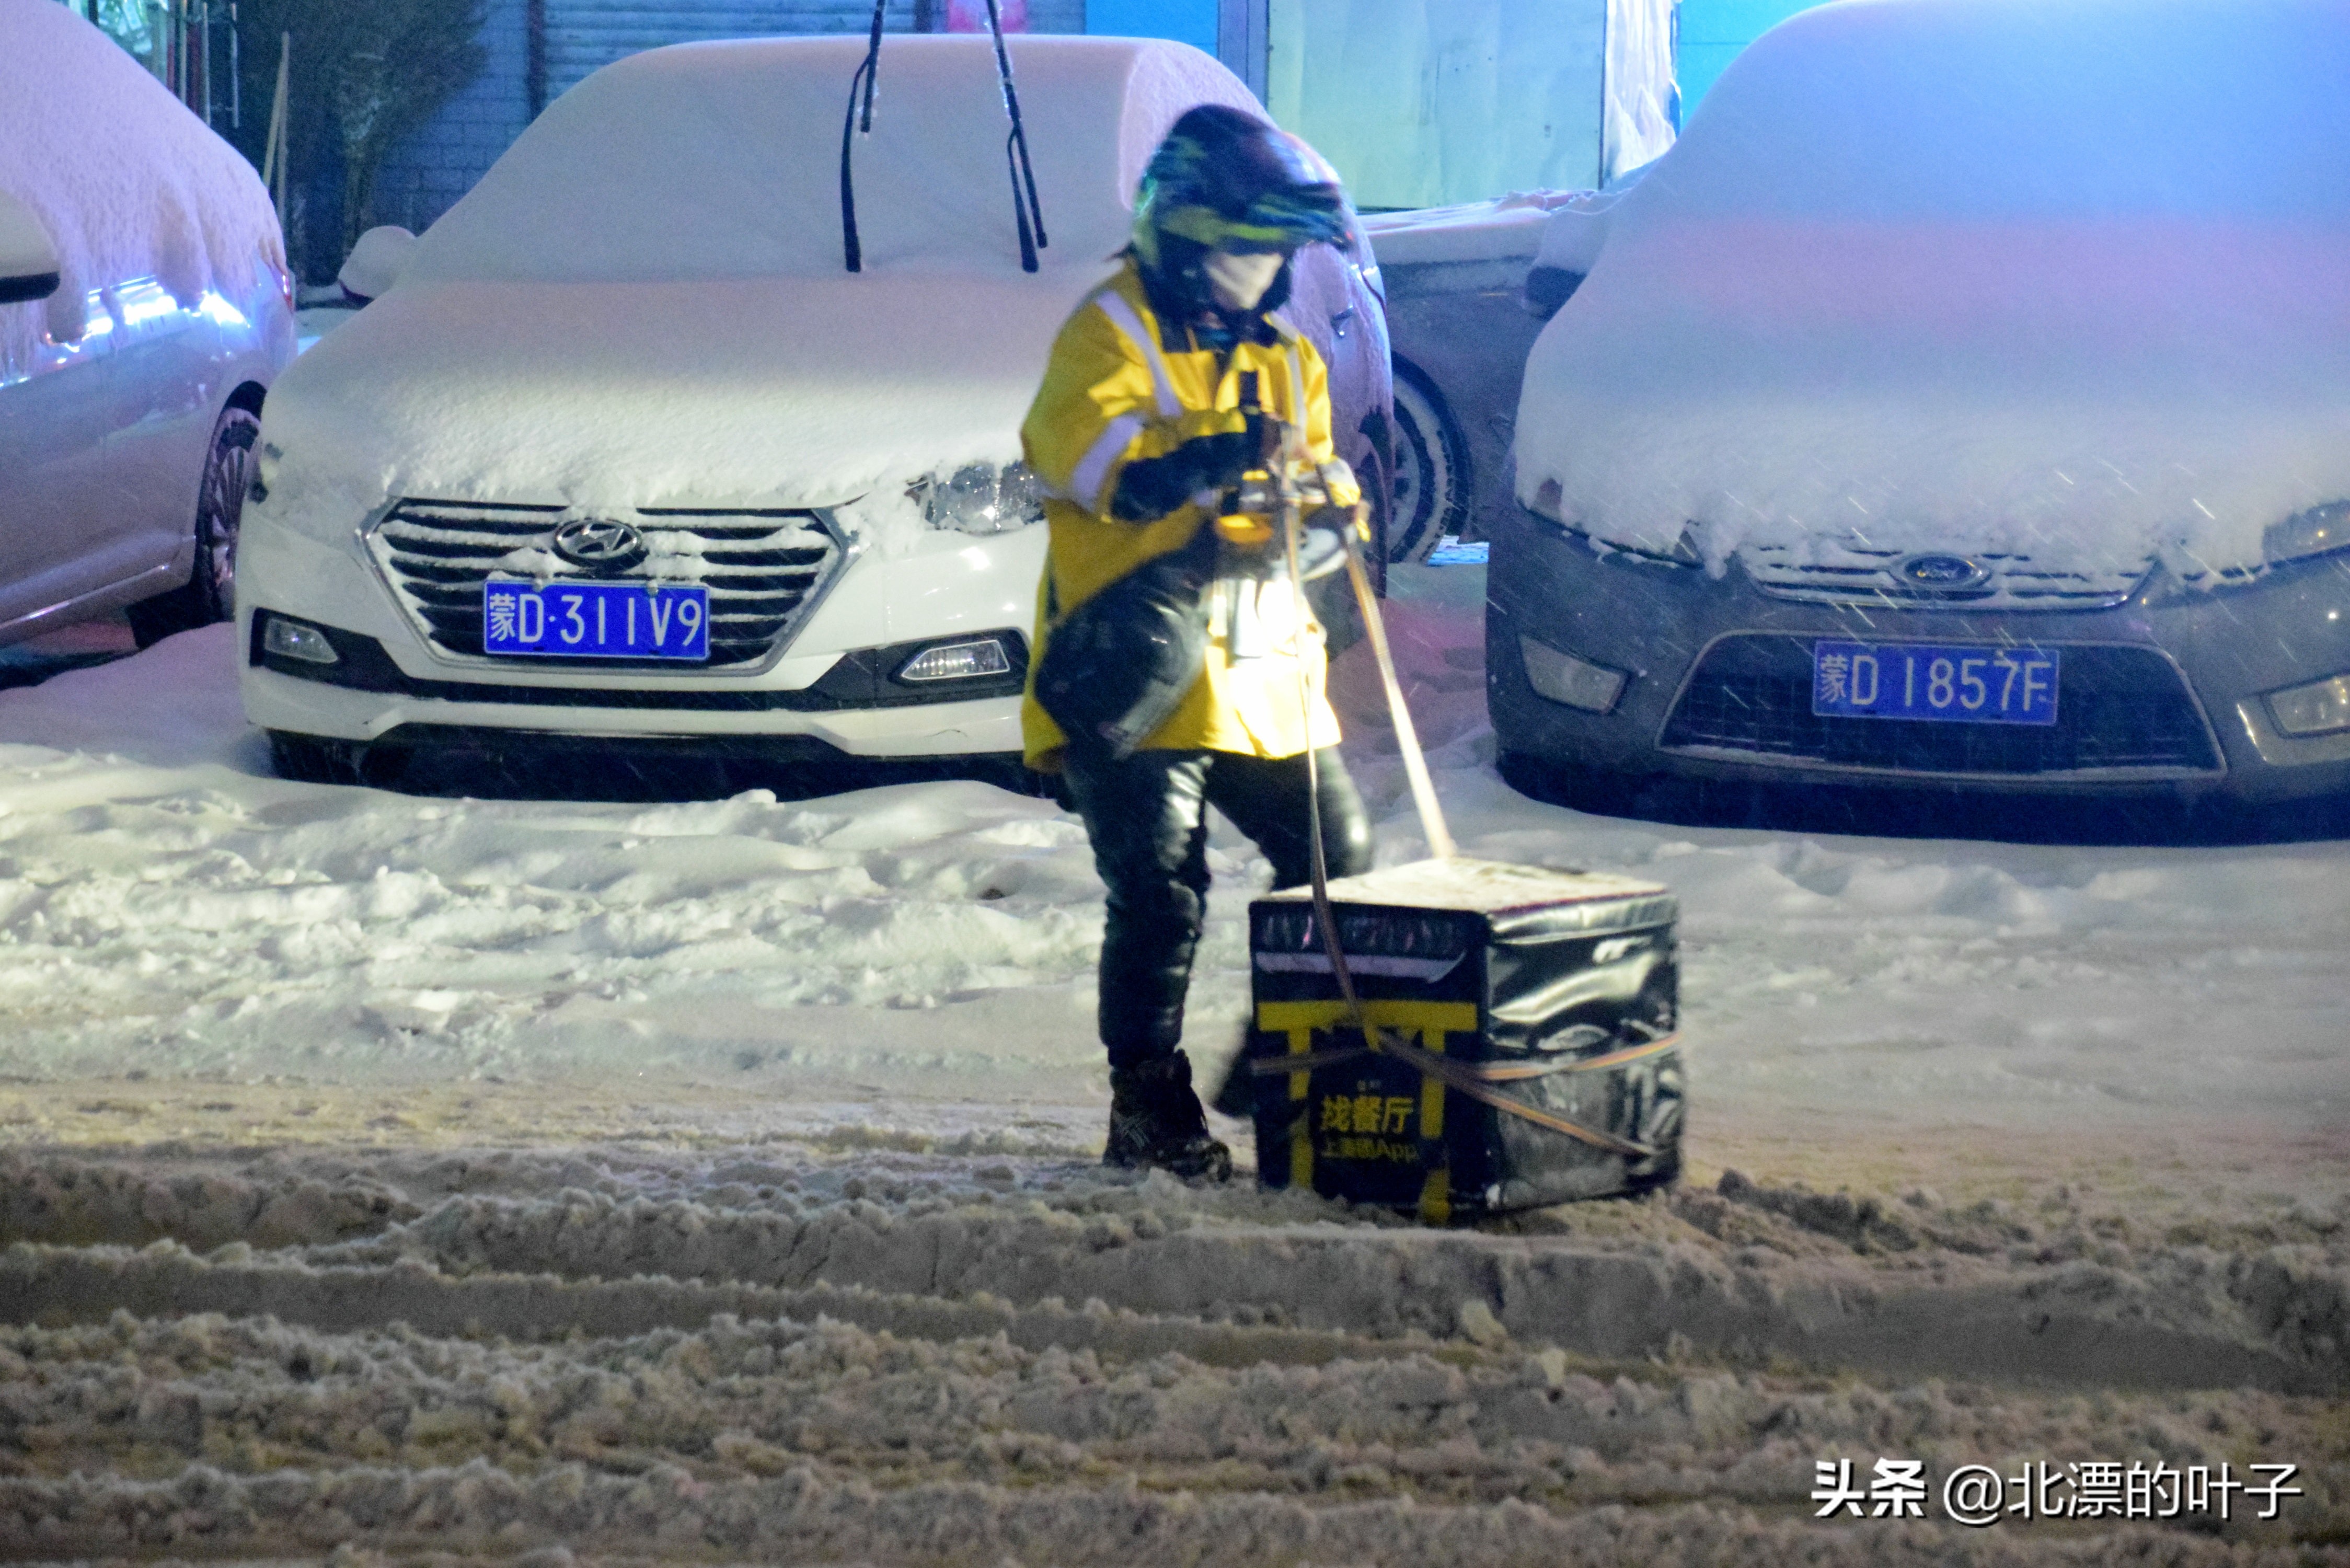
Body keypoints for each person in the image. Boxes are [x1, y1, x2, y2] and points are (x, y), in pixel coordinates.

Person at [1018, 105, 1375, 1181]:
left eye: (1274, 254)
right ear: (1180, 238)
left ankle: (1287, 1068)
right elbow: (1088, 462)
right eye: (1240, 250)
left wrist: (1324, 516)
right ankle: (1147, 1107)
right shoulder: (1107, 329)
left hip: (1261, 677)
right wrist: (1204, 462)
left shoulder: (1287, 357)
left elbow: (1329, 486)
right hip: (1135, 674)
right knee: (1163, 892)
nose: (1259, 273)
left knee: (1337, 866)